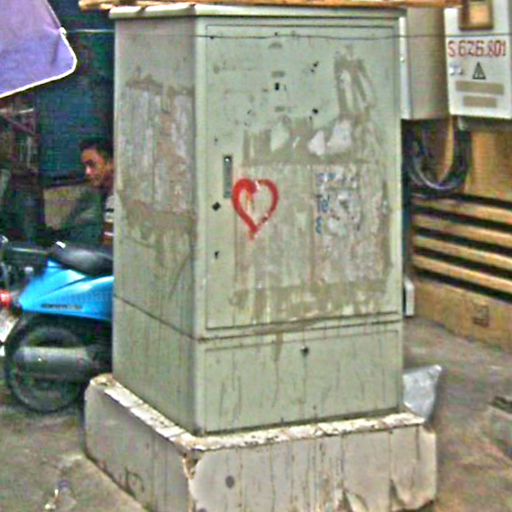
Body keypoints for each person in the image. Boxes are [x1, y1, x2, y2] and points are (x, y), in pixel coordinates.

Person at [46, 137, 114, 246]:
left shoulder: (118, 201)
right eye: (85, 166)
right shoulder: (99, 197)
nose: (87, 172)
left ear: (110, 163)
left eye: (92, 165)